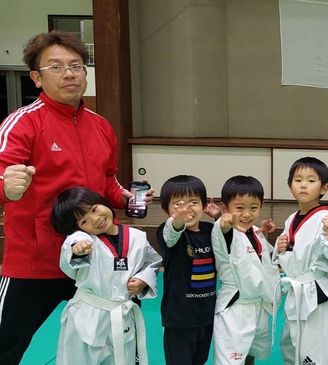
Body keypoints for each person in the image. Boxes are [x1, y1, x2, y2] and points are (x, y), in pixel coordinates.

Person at [0, 31, 147, 365]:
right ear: (36, 78)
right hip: (38, 260)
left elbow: (107, 181)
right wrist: (7, 187)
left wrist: (124, 198)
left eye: (76, 66)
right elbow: (3, 175)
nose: (68, 74)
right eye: (56, 67)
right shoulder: (23, 124)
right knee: (6, 343)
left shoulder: (100, 126)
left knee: (121, 340)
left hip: (100, 259)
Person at [51, 187, 161, 365]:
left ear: (102, 202)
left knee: (123, 358)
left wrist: (143, 280)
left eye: (94, 209)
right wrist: (77, 249)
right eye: (84, 221)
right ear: (78, 228)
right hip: (87, 318)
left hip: (122, 315)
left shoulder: (137, 236)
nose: (96, 219)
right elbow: (72, 248)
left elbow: (152, 262)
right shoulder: (84, 239)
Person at [274, 157, 328, 365]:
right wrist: (280, 248)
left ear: (324, 187)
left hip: (317, 293)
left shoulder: (326, 219)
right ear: (290, 185)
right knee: (292, 345)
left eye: (311, 180)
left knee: (319, 348)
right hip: (297, 290)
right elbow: (287, 253)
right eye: (298, 180)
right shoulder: (291, 218)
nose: (303, 185)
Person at [212, 175, 279, 365]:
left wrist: (265, 234)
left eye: (253, 208)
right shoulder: (224, 229)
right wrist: (223, 221)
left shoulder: (255, 231)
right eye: (239, 208)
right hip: (235, 305)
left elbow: (261, 263)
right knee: (230, 360)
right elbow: (224, 229)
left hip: (258, 304)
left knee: (250, 354)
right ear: (225, 208)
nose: (247, 214)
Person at [156, 175, 221, 365]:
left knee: (199, 360)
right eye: (178, 204)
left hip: (207, 315)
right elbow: (172, 231)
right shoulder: (168, 232)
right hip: (179, 318)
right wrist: (178, 220)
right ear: (166, 209)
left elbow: (229, 237)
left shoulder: (210, 230)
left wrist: (218, 216)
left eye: (194, 202)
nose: (186, 208)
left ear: (204, 205)